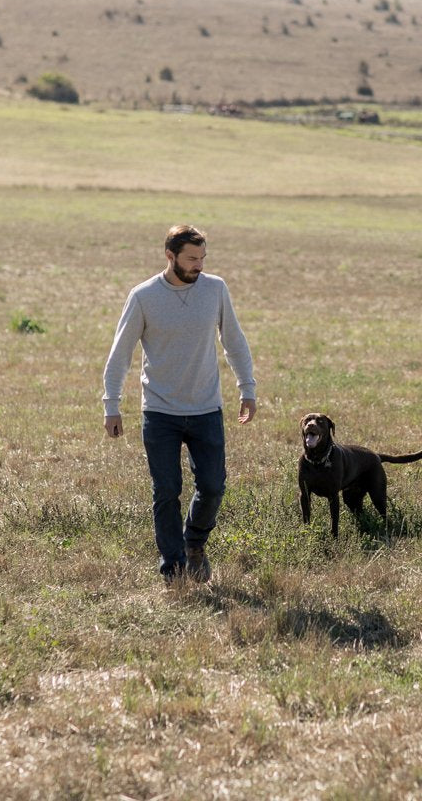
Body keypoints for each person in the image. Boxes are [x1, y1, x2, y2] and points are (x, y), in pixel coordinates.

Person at [102, 224, 256, 585]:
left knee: (214, 486)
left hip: (206, 408)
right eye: (191, 258)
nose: (199, 265)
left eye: (202, 258)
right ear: (169, 256)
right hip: (160, 412)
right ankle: (172, 566)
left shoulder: (215, 289)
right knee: (166, 490)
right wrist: (111, 404)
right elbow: (120, 353)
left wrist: (247, 387)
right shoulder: (143, 296)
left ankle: (194, 544)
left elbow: (234, 340)